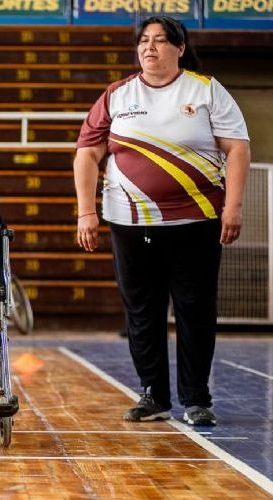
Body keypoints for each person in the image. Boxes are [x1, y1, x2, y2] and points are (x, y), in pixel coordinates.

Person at [74, 16, 251, 426]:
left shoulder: (205, 90)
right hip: (130, 223)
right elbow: (87, 154)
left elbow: (237, 149)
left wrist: (234, 206)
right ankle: (152, 393)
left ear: (179, 48)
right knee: (142, 310)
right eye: (144, 41)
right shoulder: (117, 94)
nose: (149, 48)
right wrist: (87, 210)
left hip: (196, 220)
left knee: (195, 309)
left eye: (159, 41)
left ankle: (196, 398)